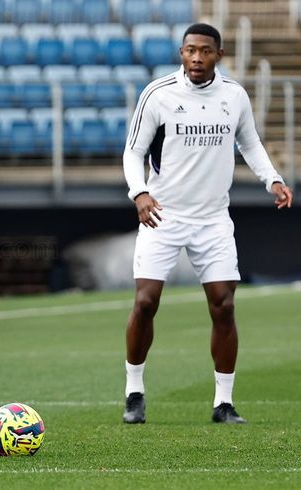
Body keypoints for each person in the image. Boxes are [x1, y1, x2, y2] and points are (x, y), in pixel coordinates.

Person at [121, 23, 294, 425]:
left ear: (219, 54)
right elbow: (133, 153)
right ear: (181, 53)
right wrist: (140, 193)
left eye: (204, 51)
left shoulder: (233, 96)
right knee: (145, 302)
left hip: (214, 218)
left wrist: (273, 178)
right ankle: (134, 391)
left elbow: (248, 142)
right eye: (189, 51)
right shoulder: (158, 94)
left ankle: (223, 402)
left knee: (224, 306)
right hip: (163, 214)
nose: (196, 58)